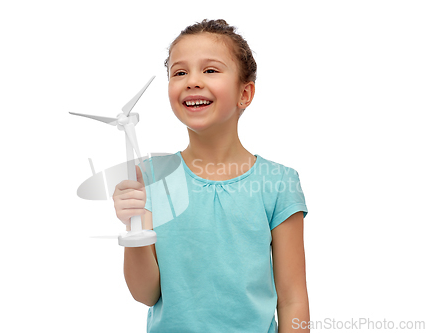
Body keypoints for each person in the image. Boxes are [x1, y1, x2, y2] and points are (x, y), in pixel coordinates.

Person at [113, 19, 310, 333]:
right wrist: (133, 225)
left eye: (210, 70)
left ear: (244, 93)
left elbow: (293, 300)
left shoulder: (279, 182)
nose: (192, 81)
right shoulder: (152, 177)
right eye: (179, 72)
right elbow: (145, 293)